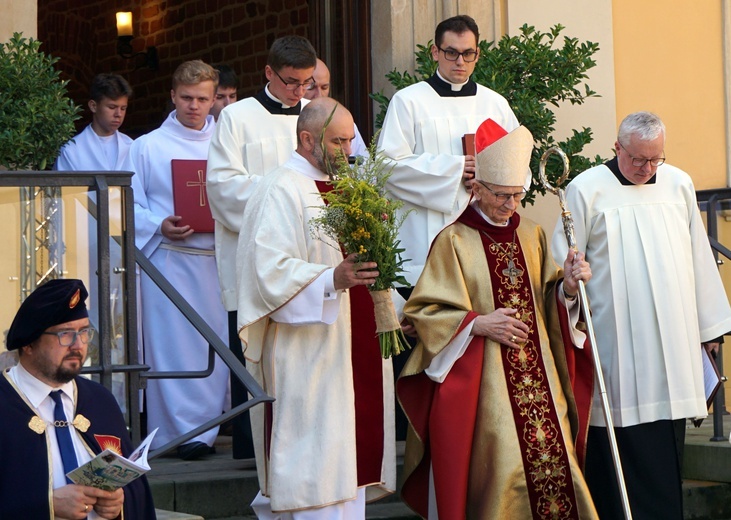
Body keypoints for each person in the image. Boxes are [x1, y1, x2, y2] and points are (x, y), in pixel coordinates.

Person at [397, 119, 598, 519]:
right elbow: (424, 311)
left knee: (556, 461)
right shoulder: (452, 240)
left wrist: (570, 288)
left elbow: (548, 296)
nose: (511, 206)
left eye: (517, 196)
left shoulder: (532, 234)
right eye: (503, 196)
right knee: (506, 467)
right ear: (476, 188)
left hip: (542, 377)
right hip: (486, 384)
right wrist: (478, 323)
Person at [551, 111, 731, 519]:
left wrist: (710, 330)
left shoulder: (679, 184)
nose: (647, 169)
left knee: (667, 454)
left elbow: (699, 260)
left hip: (674, 344)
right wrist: (569, 286)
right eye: (638, 160)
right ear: (617, 149)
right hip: (619, 351)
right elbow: (561, 270)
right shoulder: (586, 191)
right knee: (620, 453)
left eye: (655, 160)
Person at [236, 97, 396, 518]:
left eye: (350, 141)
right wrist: (331, 279)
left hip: (354, 345)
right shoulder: (278, 188)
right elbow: (267, 272)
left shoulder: (352, 190)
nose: (348, 151)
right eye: (338, 142)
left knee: (349, 475)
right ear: (307, 139)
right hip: (308, 354)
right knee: (315, 474)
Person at [207, 34, 317, 459]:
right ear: (269, 73)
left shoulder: (317, 114)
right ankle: (255, 448)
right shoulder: (236, 117)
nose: (300, 92)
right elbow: (223, 188)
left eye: (307, 83)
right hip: (251, 256)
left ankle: (303, 438)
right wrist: (285, 197)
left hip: (306, 256)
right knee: (253, 346)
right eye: (292, 82)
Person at [124, 60, 229, 460]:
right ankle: (172, 433)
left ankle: (205, 431)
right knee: (171, 347)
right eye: (186, 98)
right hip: (168, 262)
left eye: (203, 98)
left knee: (213, 343)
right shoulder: (146, 146)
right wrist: (158, 224)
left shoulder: (226, 143)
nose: (194, 106)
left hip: (217, 262)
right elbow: (125, 203)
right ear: (172, 96)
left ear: (214, 98)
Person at [378, 14, 520, 291]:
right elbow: (387, 166)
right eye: (451, 52)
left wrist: (493, 182)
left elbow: (518, 166)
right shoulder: (408, 102)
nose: (460, 62)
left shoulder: (495, 104)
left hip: (484, 228)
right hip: (426, 230)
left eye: (468, 54)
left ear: (478, 54)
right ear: (435, 52)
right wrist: (454, 169)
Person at [0, 279, 156, 519]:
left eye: (84, 332)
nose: (78, 345)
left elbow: (137, 490)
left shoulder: (99, 400)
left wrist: (119, 503)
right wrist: (47, 506)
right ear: (29, 343)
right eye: (65, 334)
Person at [54, 73, 135, 409]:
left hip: (125, 245)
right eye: (111, 107)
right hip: (85, 243)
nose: (118, 114)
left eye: (123, 108)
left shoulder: (133, 146)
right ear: (92, 106)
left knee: (124, 322)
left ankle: (123, 399)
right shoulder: (72, 150)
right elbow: (70, 197)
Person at [304, 57, 368, 157]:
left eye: (324, 87)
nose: (319, 95)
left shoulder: (343, 122)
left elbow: (361, 165)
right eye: (311, 88)